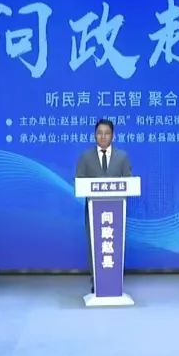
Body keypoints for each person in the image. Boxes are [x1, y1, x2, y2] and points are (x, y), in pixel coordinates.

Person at [75, 118, 133, 292]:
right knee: (94, 244)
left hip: (116, 211)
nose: (103, 136)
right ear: (95, 135)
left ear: (113, 136)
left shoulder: (122, 157)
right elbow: (79, 181)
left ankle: (114, 281)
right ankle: (96, 280)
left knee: (114, 244)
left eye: (107, 133)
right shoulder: (85, 157)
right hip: (93, 211)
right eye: (99, 133)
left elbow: (129, 182)